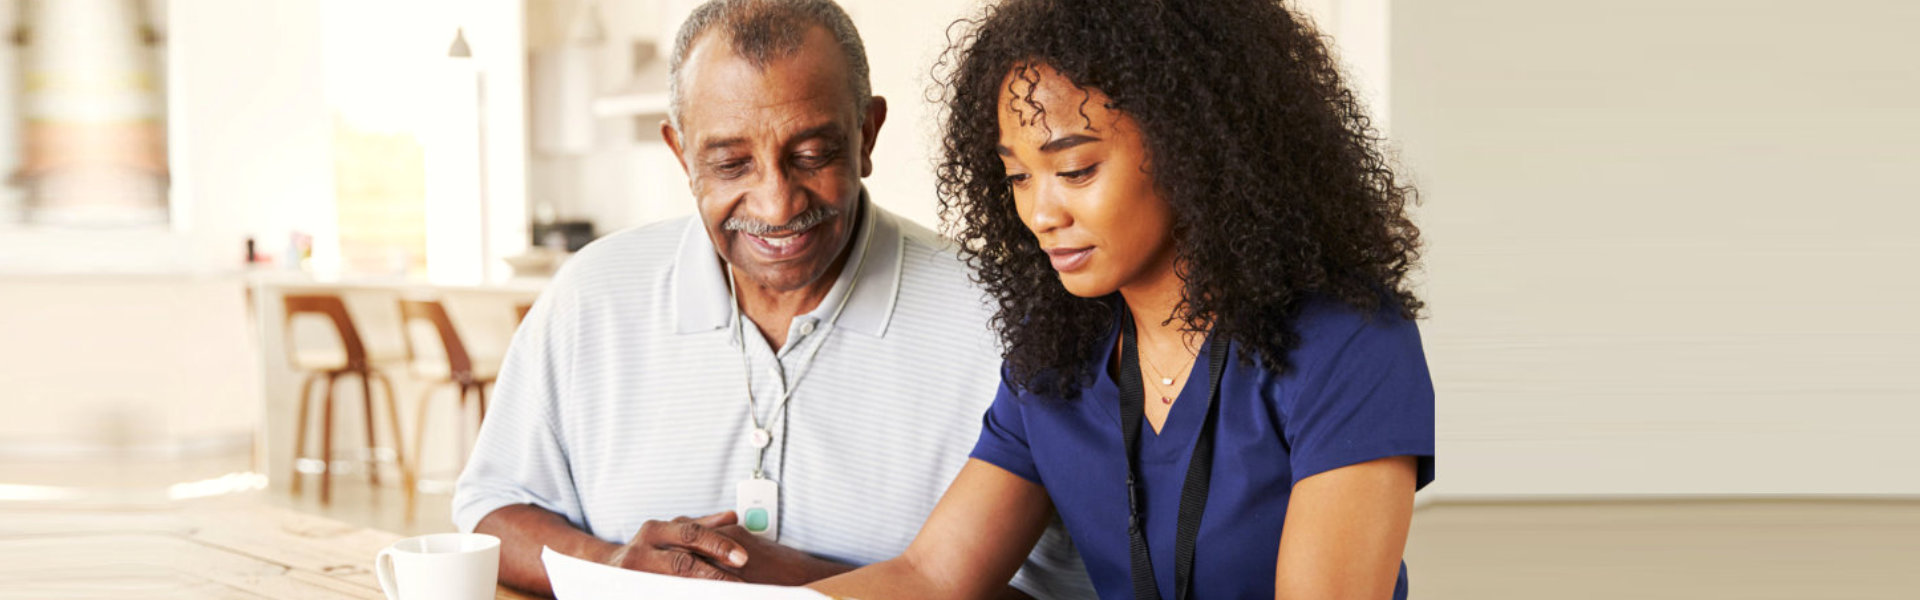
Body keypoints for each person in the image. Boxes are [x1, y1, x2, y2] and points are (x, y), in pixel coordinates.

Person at [452, 1, 1090, 597]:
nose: (777, 204)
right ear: (681, 154)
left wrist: (789, 585)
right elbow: (489, 511)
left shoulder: (1004, 318)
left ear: (867, 135)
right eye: (731, 164)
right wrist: (614, 568)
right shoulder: (589, 294)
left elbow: (1063, 590)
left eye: (812, 155)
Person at [812, 0, 1435, 598]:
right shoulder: (1055, 353)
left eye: (1077, 170)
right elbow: (929, 578)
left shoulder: (1349, 343)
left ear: (1194, 148)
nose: (1040, 213)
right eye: (1018, 177)